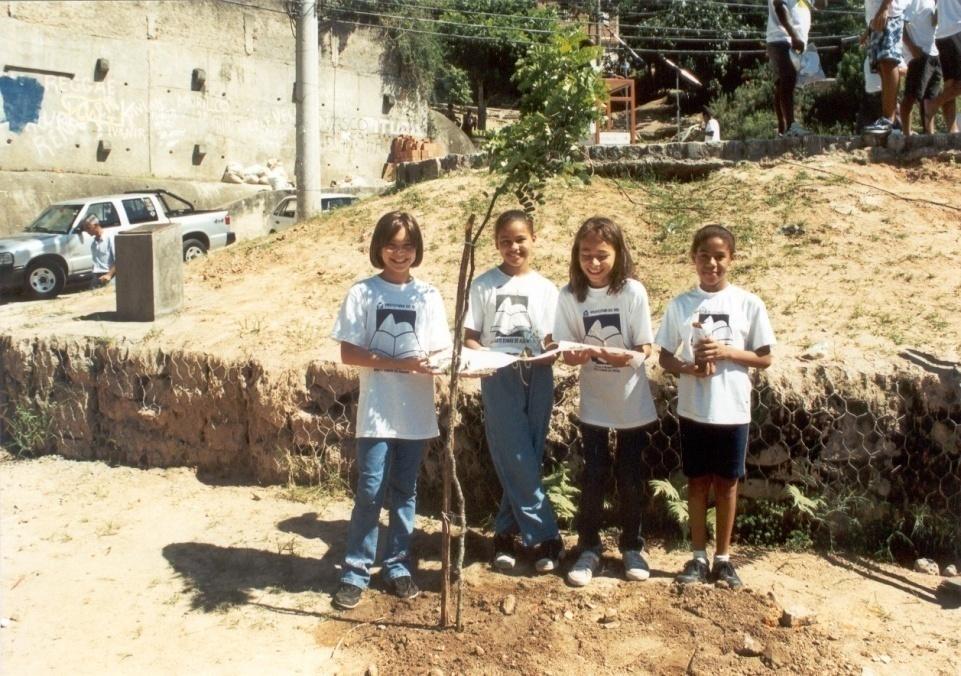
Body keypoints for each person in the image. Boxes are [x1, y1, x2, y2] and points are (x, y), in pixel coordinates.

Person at [329, 211, 451, 610]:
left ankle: (397, 564)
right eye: (392, 245)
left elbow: (438, 349)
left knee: (405, 491)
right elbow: (349, 352)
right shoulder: (363, 294)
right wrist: (402, 364)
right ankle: (355, 570)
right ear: (378, 247)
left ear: (417, 250)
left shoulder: (428, 295)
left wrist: (441, 363)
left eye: (408, 246)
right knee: (369, 489)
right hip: (378, 410)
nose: (400, 253)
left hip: (415, 410)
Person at [655, 224, 776, 590]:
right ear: (693, 259)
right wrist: (689, 367)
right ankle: (696, 556)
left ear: (731, 259)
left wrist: (725, 352)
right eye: (704, 256)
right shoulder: (681, 305)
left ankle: (723, 559)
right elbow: (664, 356)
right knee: (696, 482)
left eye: (719, 256)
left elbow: (765, 357)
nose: (711, 263)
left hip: (732, 409)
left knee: (726, 484)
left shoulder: (748, 304)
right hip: (694, 409)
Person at [549, 217, 658, 588]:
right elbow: (565, 347)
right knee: (593, 475)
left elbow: (645, 347)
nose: (593, 264)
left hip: (630, 400)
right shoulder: (569, 296)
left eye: (602, 256)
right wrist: (574, 356)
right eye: (586, 255)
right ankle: (589, 547)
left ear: (618, 254)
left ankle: (632, 546)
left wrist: (621, 356)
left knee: (629, 475)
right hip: (593, 401)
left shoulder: (632, 293)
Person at [464, 210, 564, 574]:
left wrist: (547, 355)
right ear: (496, 244)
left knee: (528, 454)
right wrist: (490, 359)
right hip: (498, 374)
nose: (513, 247)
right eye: (505, 241)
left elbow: (554, 340)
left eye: (520, 239)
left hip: (537, 373)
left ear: (533, 239)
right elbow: (471, 337)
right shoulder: (484, 285)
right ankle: (546, 536)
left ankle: (505, 533)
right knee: (513, 453)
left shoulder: (546, 289)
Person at [766, 0, 813, 137]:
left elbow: (821, 5)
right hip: (782, 38)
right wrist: (794, 35)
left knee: (783, 82)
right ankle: (791, 126)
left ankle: (784, 129)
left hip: (792, 40)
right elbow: (780, 6)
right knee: (787, 79)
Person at [864, 0, 908, 134]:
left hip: (888, 14)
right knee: (882, 67)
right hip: (876, 18)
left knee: (888, 62)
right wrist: (868, 30)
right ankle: (888, 120)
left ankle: (889, 119)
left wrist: (885, 7)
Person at [901, 0, 942, 135]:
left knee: (930, 98)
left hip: (935, 53)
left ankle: (929, 135)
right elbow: (900, 24)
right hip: (921, 53)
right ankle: (906, 135)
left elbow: (934, 22)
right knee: (911, 97)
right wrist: (912, 48)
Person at [926, 0, 961, 132]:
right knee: (951, 86)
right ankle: (934, 104)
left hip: (942, 35)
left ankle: (952, 131)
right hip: (957, 29)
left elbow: (934, 15)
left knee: (950, 85)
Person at [80, 215, 116, 288]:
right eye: (85, 229)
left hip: (110, 276)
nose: (87, 231)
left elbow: (119, 260)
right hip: (97, 277)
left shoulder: (109, 238)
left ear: (96, 225)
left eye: (88, 228)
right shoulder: (94, 244)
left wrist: (109, 275)